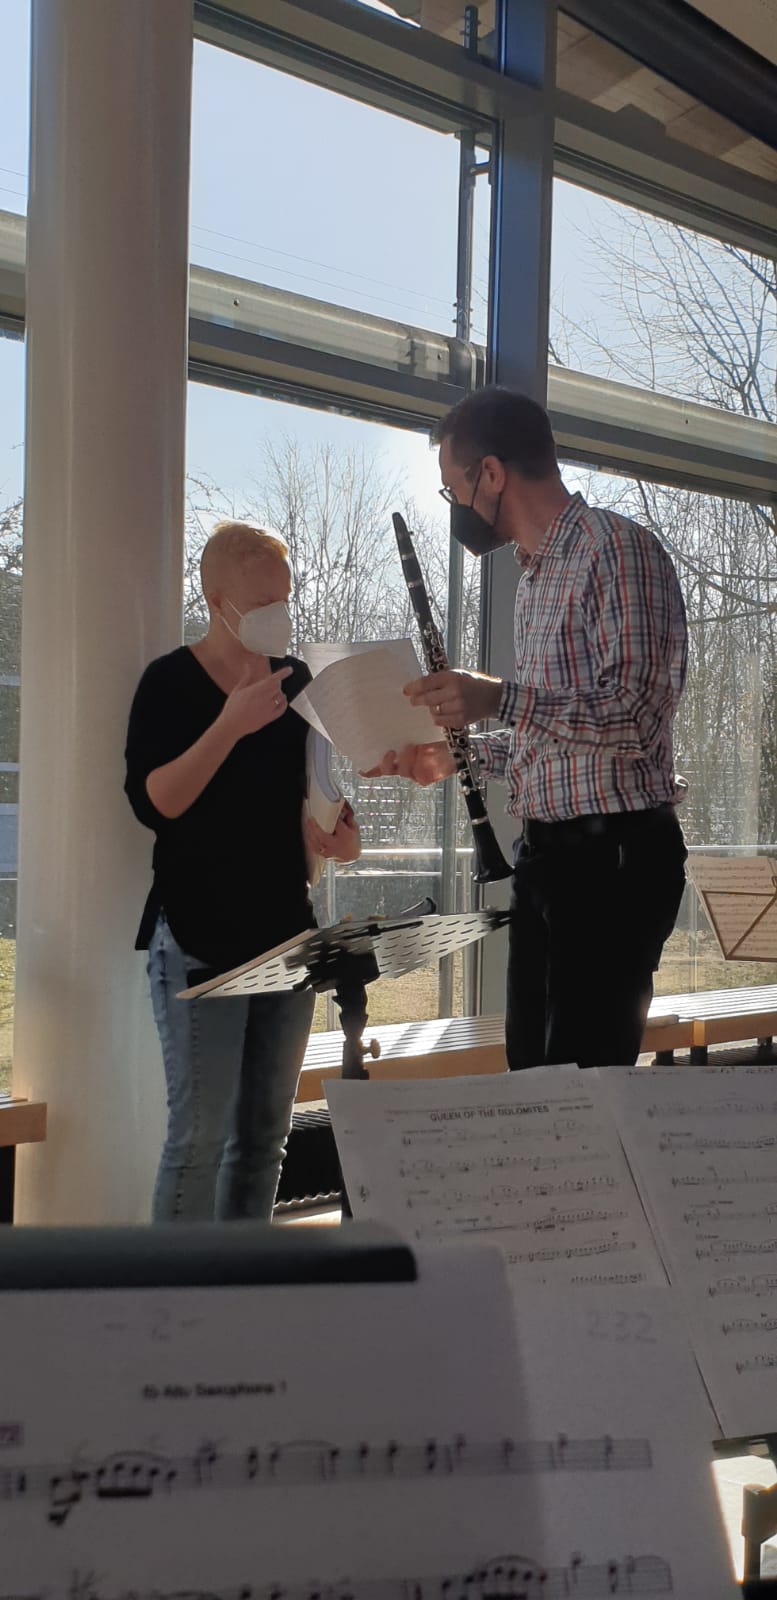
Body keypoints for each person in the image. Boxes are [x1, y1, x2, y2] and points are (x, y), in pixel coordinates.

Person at [369, 387, 688, 1071]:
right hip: (548, 860)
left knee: (582, 1093)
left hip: (614, 861)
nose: (453, 505)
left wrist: (497, 697)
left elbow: (633, 717)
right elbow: (559, 741)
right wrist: (459, 758)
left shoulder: (616, 550)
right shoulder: (534, 578)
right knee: (531, 1087)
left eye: (452, 488)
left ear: (490, 473)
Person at [125, 520, 360, 1220]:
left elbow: (313, 796)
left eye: (284, 600)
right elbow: (156, 803)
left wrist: (338, 840)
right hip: (199, 940)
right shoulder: (169, 682)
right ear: (216, 601)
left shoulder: (298, 683)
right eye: (262, 604)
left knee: (264, 1140)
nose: (278, 617)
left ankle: (245, 1275)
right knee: (198, 1142)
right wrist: (230, 724)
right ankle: (180, 1288)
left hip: (288, 938)